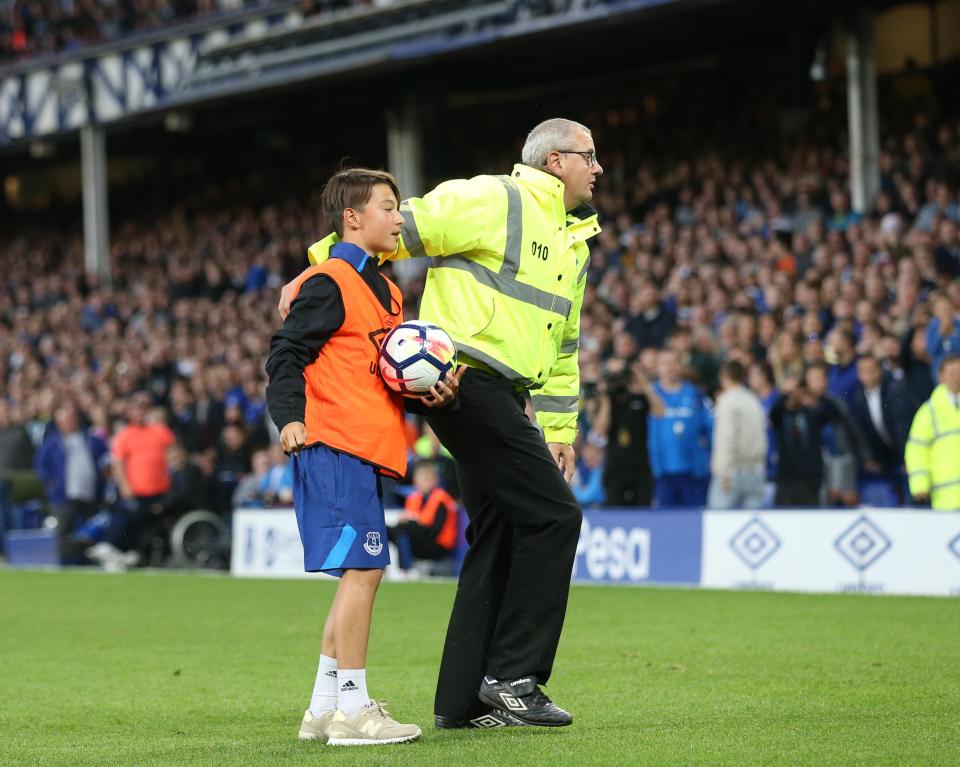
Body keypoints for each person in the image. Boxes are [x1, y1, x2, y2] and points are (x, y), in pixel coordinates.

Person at [280, 118, 601, 729]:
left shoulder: (573, 243)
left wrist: (560, 430)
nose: (599, 168)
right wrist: (317, 269)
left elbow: (565, 346)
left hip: (507, 395)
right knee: (557, 516)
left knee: (499, 530)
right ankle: (514, 678)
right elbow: (392, 230)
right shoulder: (492, 198)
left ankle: (462, 702)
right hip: (461, 382)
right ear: (556, 161)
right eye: (590, 156)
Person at [265, 168, 459, 746]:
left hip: (364, 448)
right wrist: (290, 418)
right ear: (354, 217)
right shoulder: (329, 282)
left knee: (360, 571)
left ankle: (324, 708)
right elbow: (286, 352)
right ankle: (354, 709)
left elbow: (379, 371)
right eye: (388, 206)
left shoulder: (390, 290)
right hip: (331, 443)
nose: (399, 217)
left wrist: (427, 388)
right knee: (365, 570)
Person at [34, 404, 110, 561]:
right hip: (63, 495)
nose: (67, 422)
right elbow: (41, 466)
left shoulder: (91, 440)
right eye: (63, 419)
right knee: (63, 529)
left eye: (70, 418)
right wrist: (52, 482)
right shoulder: (52, 443)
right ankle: (65, 560)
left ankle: (89, 559)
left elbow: (106, 460)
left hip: (90, 493)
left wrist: (104, 476)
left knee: (91, 528)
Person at [590, 357, 664, 507]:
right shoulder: (606, 400)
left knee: (643, 509)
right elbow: (599, 431)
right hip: (615, 465)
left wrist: (645, 386)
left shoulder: (640, 397)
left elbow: (660, 412)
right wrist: (606, 400)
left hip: (640, 465)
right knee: (614, 508)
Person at [111, 392, 176, 560]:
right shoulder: (124, 435)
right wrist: (125, 486)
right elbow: (117, 463)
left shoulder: (160, 431)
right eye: (136, 409)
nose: (140, 413)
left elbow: (174, 453)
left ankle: (140, 554)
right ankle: (126, 551)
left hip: (160, 490)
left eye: (143, 409)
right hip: (137, 491)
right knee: (132, 520)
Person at [648, 348, 712, 508]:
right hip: (660, 471)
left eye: (674, 363)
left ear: (680, 366)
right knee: (664, 524)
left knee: (693, 522)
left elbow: (710, 427)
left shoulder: (695, 394)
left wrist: (710, 456)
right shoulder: (649, 395)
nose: (670, 367)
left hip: (693, 471)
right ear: (657, 368)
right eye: (664, 363)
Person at [848, 355, 913, 502]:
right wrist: (869, 458)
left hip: (903, 454)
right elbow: (861, 433)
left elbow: (902, 427)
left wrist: (906, 458)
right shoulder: (860, 398)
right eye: (863, 371)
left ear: (879, 371)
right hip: (885, 458)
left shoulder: (895, 389)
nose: (868, 374)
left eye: (872, 370)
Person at [707, 361, 767, 509]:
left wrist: (724, 471)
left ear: (723, 377)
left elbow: (727, 438)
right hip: (755, 471)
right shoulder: (753, 400)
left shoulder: (727, 401)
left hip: (732, 473)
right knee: (751, 525)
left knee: (720, 525)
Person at [905, 354, 960, 510]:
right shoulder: (929, 411)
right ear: (941, 376)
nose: (957, 378)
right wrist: (919, 486)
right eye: (952, 373)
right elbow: (916, 450)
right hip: (944, 498)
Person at [387, 462, 458, 574]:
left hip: (437, 546)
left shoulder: (441, 500)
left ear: (435, 480)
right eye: (420, 479)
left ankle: (405, 569)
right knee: (387, 530)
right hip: (418, 540)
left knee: (404, 528)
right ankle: (395, 569)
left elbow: (435, 531)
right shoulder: (414, 498)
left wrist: (414, 522)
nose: (423, 482)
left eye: (427, 479)